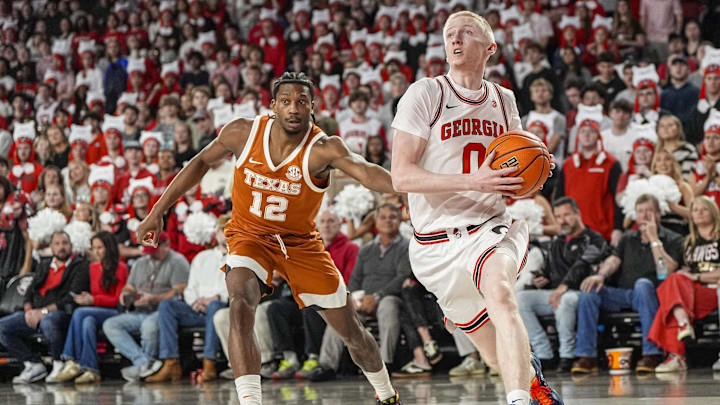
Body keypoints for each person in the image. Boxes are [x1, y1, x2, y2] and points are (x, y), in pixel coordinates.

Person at [135, 71, 402, 405]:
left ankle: (387, 393)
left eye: (301, 102)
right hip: (250, 236)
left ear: (312, 107)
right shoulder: (242, 132)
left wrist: (411, 184)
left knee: (351, 332)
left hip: (300, 244)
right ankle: (250, 400)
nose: (293, 109)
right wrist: (158, 211)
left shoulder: (323, 148)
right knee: (239, 304)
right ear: (273, 105)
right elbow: (201, 161)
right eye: (286, 101)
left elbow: (366, 172)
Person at [390, 11, 561, 405]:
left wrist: (535, 170)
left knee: (500, 293)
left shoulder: (504, 100)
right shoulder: (426, 93)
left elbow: (514, 167)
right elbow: (401, 176)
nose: (455, 39)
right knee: (491, 351)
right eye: (450, 34)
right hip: (434, 245)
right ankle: (530, 381)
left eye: (466, 33)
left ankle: (518, 400)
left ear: (490, 48)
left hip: (489, 227)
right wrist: (474, 180)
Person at [571, 194, 684, 374]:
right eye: (640, 211)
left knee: (642, 284)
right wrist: (600, 275)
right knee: (590, 290)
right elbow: (614, 260)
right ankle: (587, 357)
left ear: (659, 213)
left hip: (654, 294)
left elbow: (666, 272)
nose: (645, 216)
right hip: (625, 294)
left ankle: (651, 353)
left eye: (649, 211)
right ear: (635, 215)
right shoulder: (627, 237)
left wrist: (655, 240)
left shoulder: (674, 239)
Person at [517, 197, 608, 373]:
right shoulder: (557, 242)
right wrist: (543, 280)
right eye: (558, 217)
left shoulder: (594, 239)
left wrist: (561, 287)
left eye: (566, 215)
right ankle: (544, 353)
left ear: (577, 214)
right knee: (520, 299)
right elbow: (551, 272)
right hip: (557, 292)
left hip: (582, 292)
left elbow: (581, 266)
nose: (562, 221)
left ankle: (567, 354)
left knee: (565, 300)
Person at [145, 215, 229, 383]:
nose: (226, 234)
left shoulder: (238, 258)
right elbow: (190, 288)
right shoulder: (202, 257)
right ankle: (171, 363)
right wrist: (195, 302)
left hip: (221, 307)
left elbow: (236, 288)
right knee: (167, 306)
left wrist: (217, 297)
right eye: (223, 230)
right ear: (217, 233)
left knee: (214, 306)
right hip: (196, 307)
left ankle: (209, 363)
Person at [0, 231, 89, 384]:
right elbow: (30, 291)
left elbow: (71, 297)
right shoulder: (44, 264)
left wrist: (43, 312)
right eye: (57, 244)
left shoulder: (80, 266)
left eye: (65, 243)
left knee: (49, 321)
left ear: (71, 246)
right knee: (3, 326)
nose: (61, 247)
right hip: (35, 312)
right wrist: (28, 310)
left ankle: (59, 363)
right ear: (51, 247)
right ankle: (33, 364)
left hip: (61, 313)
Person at [101, 231, 189, 382]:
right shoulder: (141, 262)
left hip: (164, 311)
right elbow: (129, 286)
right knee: (110, 324)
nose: (151, 255)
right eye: (149, 251)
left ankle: (146, 366)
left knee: (149, 326)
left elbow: (180, 290)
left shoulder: (177, 261)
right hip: (140, 310)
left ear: (166, 245)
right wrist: (126, 294)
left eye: (154, 251)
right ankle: (144, 363)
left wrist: (154, 299)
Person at [649, 196, 720, 372]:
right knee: (673, 281)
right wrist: (654, 240)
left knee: (671, 301)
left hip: (714, 291)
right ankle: (683, 324)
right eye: (695, 210)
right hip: (691, 293)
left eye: (704, 209)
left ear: (713, 212)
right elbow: (665, 270)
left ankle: (676, 356)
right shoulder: (687, 243)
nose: (699, 213)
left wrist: (697, 277)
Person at [54, 232, 128, 383]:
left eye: (100, 247)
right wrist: (85, 298)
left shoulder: (121, 268)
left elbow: (118, 301)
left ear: (109, 248)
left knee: (81, 313)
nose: (97, 252)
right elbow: (95, 295)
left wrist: (93, 299)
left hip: (115, 312)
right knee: (87, 321)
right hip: (96, 311)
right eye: (94, 248)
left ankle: (72, 360)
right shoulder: (93, 267)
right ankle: (91, 369)